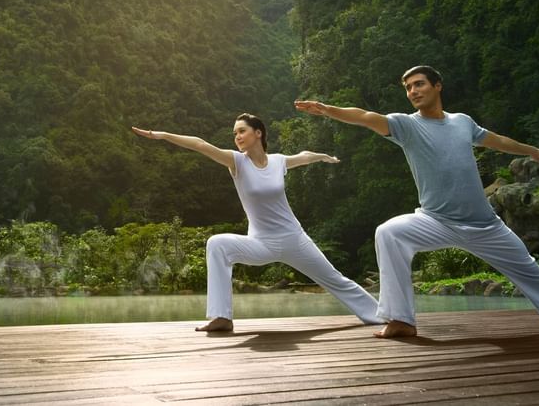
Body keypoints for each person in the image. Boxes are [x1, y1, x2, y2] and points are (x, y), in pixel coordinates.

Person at [295, 65, 539, 338]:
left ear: (437, 86)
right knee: (389, 232)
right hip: (435, 220)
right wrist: (328, 110)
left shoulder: (462, 122)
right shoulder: (406, 126)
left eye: (419, 84)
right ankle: (401, 320)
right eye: (408, 87)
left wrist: (533, 151)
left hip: (484, 225)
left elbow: (497, 140)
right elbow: (366, 116)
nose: (413, 91)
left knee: (530, 270)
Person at [131, 114, 382, 332]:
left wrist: (321, 156)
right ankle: (221, 317)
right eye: (234, 133)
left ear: (258, 133)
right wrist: (162, 135)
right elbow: (200, 144)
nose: (237, 136)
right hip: (261, 243)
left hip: (294, 239)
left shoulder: (277, 161)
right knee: (217, 244)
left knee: (335, 279)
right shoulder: (236, 162)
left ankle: (381, 315)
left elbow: (303, 157)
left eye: (242, 131)